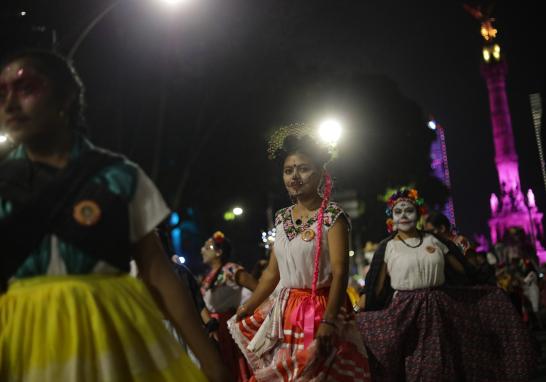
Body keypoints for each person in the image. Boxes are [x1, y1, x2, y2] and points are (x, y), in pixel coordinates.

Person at [0, 50, 228, 382]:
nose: (9, 104)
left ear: (65, 96)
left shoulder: (118, 177)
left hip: (110, 337)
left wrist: (212, 362)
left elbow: (158, 273)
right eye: (2, 92)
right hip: (23, 340)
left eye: (25, 88)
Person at [228, 126, 371, 381]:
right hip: (286, 312)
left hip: (321, 309)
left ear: (320, 174)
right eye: (288, 170)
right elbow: (272, 273)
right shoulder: (282, 218)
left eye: (303, 169)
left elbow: (340, 272)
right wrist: (247, 307)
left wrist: (328, 321)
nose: (295, 176)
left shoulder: (332, 216)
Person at [357, 188, 536, 381]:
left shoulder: (434, 240)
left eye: (408, 210)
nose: (404, 215)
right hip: (405, 314)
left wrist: (486, 284)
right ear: (391, 217)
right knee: (415, 366)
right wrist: (364, 308)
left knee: (445, 365)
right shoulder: (387, 247)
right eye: (398, 211)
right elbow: (377, 288)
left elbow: (464, 272)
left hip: (440, 310)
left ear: (418, 213)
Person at [201, 230, 258, 381]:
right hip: (214, 328)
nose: (202, 250)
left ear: (219, 252)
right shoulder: (208, 277)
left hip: (228, 328)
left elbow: (258, 289)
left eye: (207, 247)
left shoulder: (231, 269)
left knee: (234, 366)